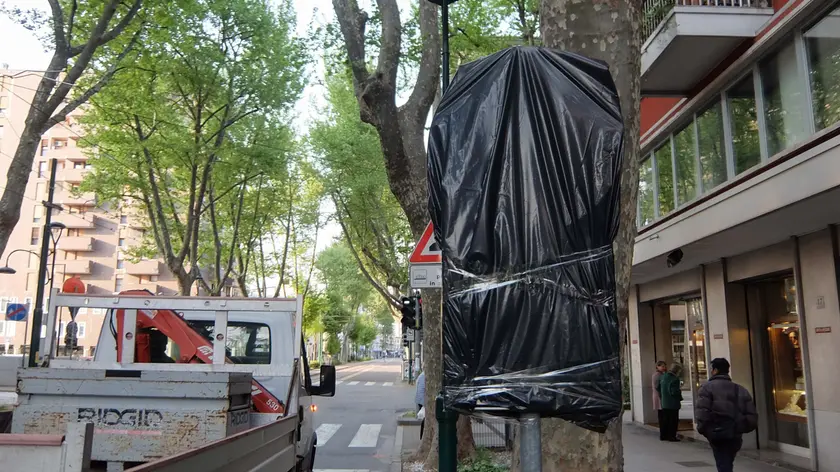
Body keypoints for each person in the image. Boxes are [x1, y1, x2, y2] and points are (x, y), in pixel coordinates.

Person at [695, 358, 758, 472]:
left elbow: (702, 413)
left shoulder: (706, 388)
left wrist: (704, 429)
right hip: (734, 433)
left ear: (715, 370)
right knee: (727, 461)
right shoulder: (740, 389)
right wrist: (740, 427)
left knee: (723, 463)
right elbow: (751, 415)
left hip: (717, 432)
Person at [658, 363, 683, 442]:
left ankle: (663, 435)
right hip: (672, 403)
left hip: (664, 402)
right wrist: (679, 395)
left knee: (665, 420)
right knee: (673, 420)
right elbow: (674, 392)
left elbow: (658, 388)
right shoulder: (675, 379)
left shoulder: (663, 376)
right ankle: (672, 436)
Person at [652, 360, 668, 440]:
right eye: (662, 366)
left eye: (664, 366)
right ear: (657, 367)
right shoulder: (657, 375)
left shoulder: (662, 374)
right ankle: (663, 434)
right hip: (659, 397)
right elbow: (657, 386)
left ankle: (664, 433)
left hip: (660, 397)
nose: (664, 368)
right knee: (662, 416)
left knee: (663, 416)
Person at [415, 371, 425, 438]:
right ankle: (422, 436)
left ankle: (422, 436)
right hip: (422, 400)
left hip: (420, 400)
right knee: (425, 420)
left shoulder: (422, 375)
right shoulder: (424, 376)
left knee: (424, 420)